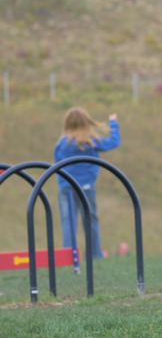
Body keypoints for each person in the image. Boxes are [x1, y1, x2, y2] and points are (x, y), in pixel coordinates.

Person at [53, 108, 120, 259]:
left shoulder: (61, 143)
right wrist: (113, 123)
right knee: (90, 220)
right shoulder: (90, 141)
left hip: (66, 187)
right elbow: (114, 142)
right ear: (86, 122)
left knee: (68, 222)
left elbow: (56, 164)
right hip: (86, 187)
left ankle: (68, 257)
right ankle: (94, 254)